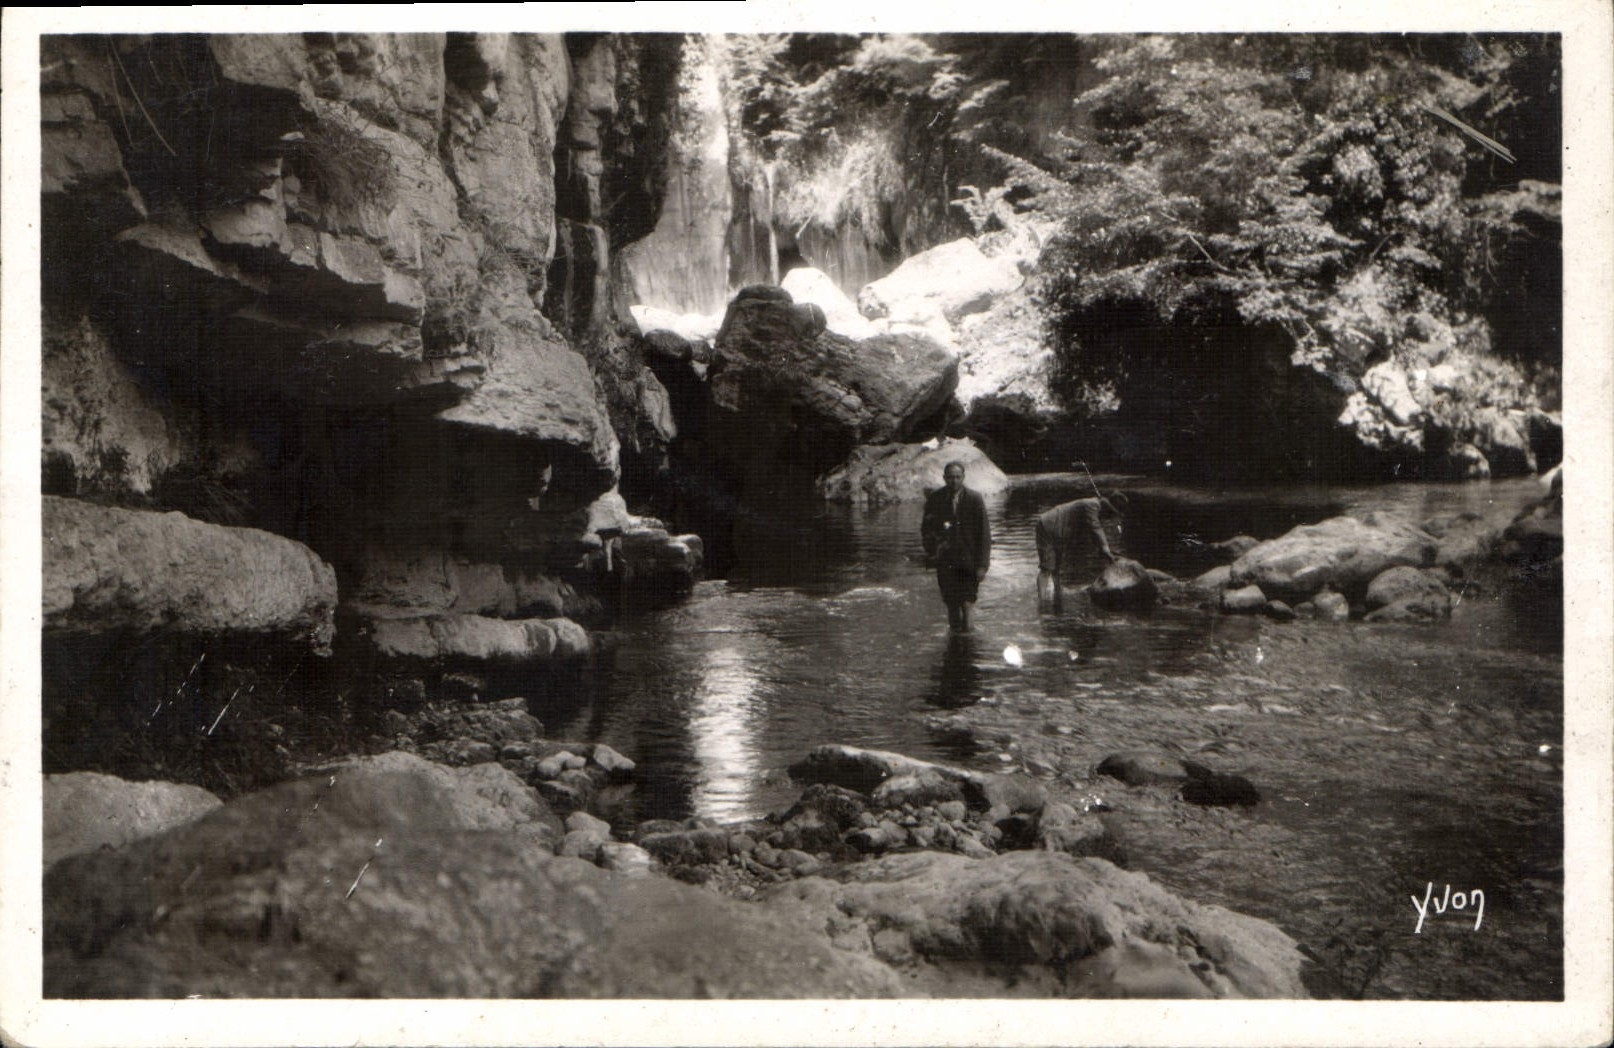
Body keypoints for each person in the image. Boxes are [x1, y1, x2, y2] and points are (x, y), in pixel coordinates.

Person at [921, 461, 992, 632]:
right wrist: (933, 552)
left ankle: (969, 642)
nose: (954, 481)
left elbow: (984, 533)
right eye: (950, 477)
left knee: (967, 603)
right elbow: (926, 529)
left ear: (963, 477)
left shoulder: (974, 498)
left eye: (958, 477)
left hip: (969, 561)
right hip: (946, 562)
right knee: (952, 604)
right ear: (944, 478)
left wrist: (983, 565)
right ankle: (955, 643)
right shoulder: (936, 498)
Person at [1035, 491, 1128, 611]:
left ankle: (1057, 595)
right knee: (1046, 568)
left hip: (1058, 530)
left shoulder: (1094, 509)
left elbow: (1092, 534)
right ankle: (1042, 602)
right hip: (1047, 526)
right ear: (1108, 508)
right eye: (1111, 513)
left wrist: (1103, 551)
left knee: (1056, 567)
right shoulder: (1092, 506)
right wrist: (1105, 548)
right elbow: (1096, 529)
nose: (1109, 517)